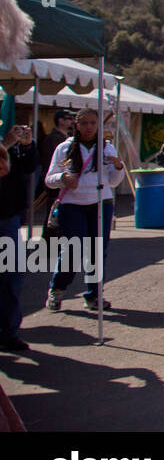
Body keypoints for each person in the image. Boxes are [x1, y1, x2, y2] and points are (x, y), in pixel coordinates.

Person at [44, 109, 125, 311]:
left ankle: (93, 294)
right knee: (72, 250)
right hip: (72, 205)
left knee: (97, 252)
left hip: (100, 203)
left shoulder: (106, 148)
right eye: (84, 124)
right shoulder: (64, 149)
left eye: (92, 123)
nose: (89, 128)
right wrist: (63, 179)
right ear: (76, 125)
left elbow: (113, 182)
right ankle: (58, 288)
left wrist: (117, 167)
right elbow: (49, 178)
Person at [0, 124, 35, 351]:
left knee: (11, 277)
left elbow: (29, 168)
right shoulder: (7, 142)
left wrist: (28, 145)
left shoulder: (12, 143)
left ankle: (8, 332)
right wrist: (7, 145)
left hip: (8, 216)